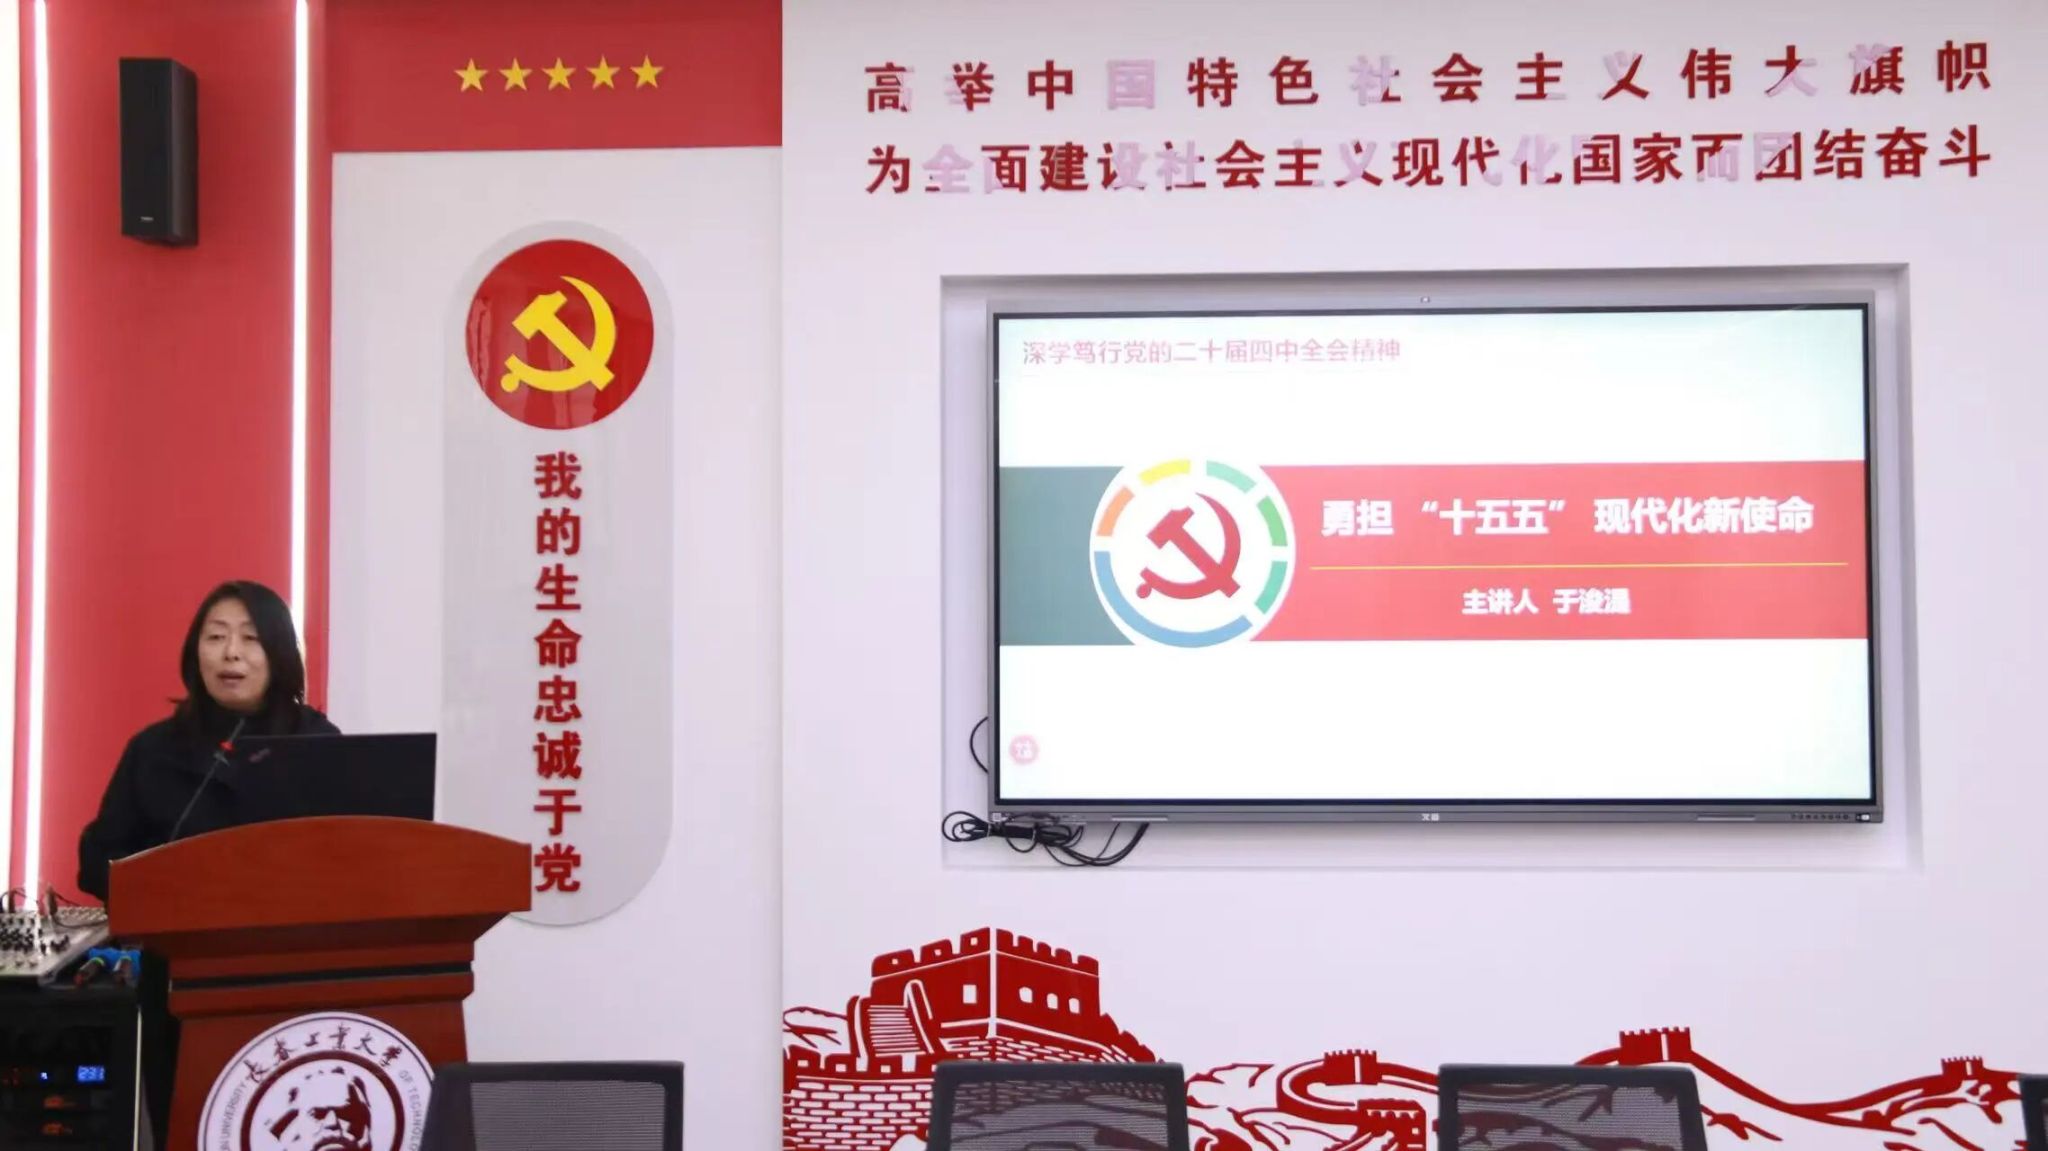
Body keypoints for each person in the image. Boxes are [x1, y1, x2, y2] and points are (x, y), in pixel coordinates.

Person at [75, 579, 338, 1147]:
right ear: (195, 652)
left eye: (250, 638)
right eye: (215, 637)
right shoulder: (154, 750)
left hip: (294, 985)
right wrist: (159, 886)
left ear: (279, 652)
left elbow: (353, 865)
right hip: (181, 988)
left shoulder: (320, 744)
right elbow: (97, 861)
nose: (230, 653)